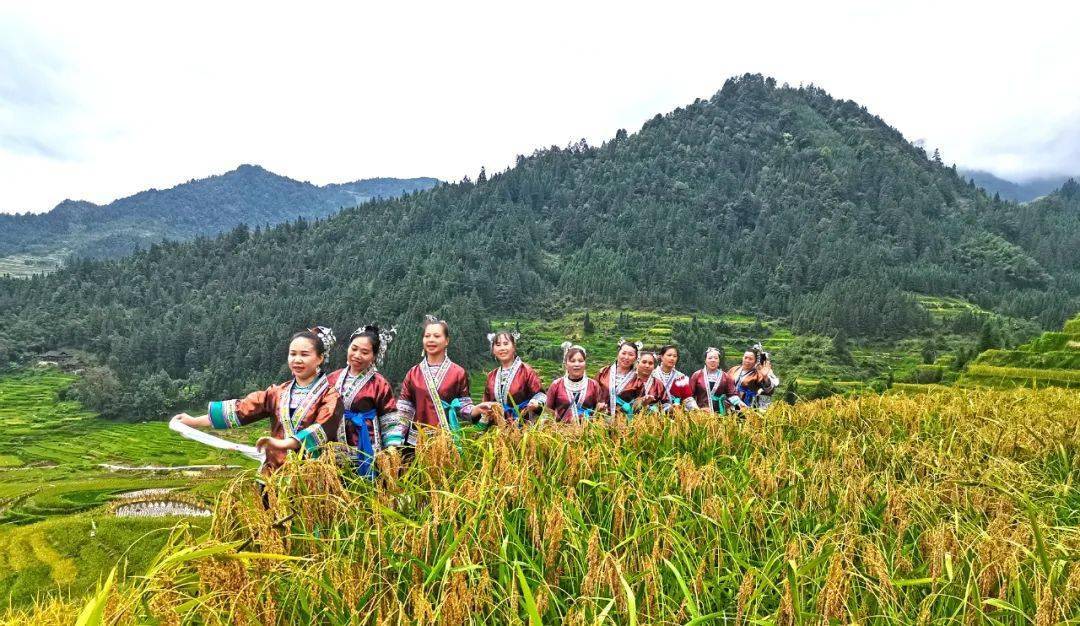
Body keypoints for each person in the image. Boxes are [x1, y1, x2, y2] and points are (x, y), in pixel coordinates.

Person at [173, 326, 344, 473]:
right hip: (275, 473)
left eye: (304, 354)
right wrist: (194, 421)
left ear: (320, 358)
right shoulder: (277, 392)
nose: (297, 360)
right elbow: (242, 410)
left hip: (313, 476)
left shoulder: (330, 395)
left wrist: (284, 443)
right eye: (293, 354)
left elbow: (322, 428)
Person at [325, 324, 402, 478]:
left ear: (374, 356)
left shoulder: (379, 383)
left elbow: (389, 421)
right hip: (336, 448)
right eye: (354, 349)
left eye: (365, 352)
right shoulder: (332, 378)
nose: (357, 355)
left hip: (367, 445)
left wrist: (392, 450)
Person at [396, 316, 474, 447]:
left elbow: (463, 406)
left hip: (447, 442)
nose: (431, 340)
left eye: (437, 336)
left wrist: (478, 410)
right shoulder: (413, 373)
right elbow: (404, 410)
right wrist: (394, 439)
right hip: (416, 443)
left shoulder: (458, 372)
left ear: (446, 341)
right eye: (427, 336)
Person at [474, 331, 546, 427]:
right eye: (498, 345)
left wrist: (536, 403)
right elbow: (485, 403)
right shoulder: (491, 376)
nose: (502, 348)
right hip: (497, 430)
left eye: (506, 344)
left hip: (523, 427)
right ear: (493, 350)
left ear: (514, 346)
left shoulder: (526, 371)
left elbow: (541, 395)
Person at [595, 340, 664, 418]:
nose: (626, 357)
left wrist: (643, 402)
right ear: (618, 353)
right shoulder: (603, 372)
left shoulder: (637, 380)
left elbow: (637, 409)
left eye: (631, 355)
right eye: (623, 353)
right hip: (600, 420)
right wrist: (598, 405)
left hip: (623, 423)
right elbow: (592, 394)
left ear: (635, 358)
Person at [546, 342, 601, 423]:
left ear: (585, 363)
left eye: (580, 361)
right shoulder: (556, 385)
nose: (577, 364)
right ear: (566, 364)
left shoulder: (593, 385)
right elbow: (548, 411)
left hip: (588, 432)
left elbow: (598, 412)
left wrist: (600, 409)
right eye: (572, 361)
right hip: (561, 433)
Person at [686, 347, 741, 414]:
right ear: (705, 360)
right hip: (701, 414)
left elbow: (732, 394)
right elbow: (688, 396)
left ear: (719, 361)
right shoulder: (697, 375)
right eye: (710, 358)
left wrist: (740, 404)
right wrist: (697, 409)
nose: (713, 360)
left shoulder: (726, 377)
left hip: (721, 414)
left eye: (716, 358)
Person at [728, 346, 780, 410]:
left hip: (747, 407)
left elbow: (768, 390)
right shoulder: (734, 369)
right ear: (743, 358)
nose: (747, 360)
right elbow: (725, 384)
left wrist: (765, 376)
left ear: (755, 361)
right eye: (746, 358)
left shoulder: (757, 374)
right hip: (730, 404)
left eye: (750, 359)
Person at [653, 345, 693, 410]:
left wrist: (695, 409)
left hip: (676, 414)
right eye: (669, 355)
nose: (672, 358)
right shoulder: (652, 375)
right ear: (661, 357)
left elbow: (687, 398)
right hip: (655, 414)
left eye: (675, 356)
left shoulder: (681, 377)